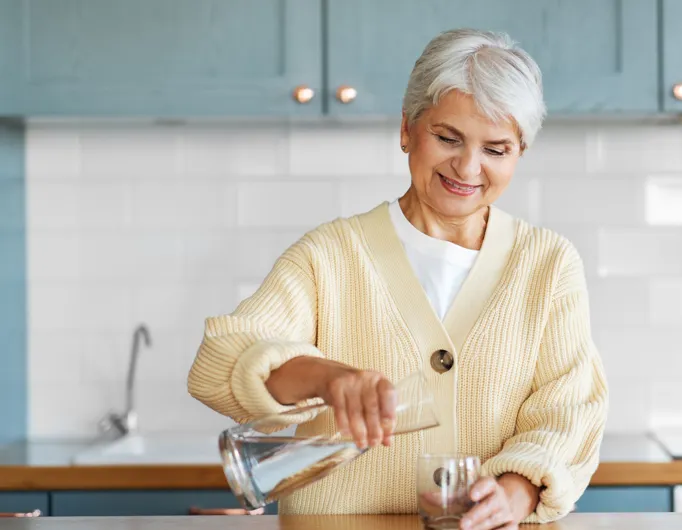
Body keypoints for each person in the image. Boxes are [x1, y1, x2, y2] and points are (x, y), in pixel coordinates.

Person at [187, 28, 608, 529]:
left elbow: (570, 413)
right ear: (407, 129)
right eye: (447, 138)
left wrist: (514, 493)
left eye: (496, 149)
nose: (468, 167)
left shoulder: (549, 264)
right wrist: (329, 378)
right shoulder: (331, 255)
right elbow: (223, 358)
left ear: (520, 153)